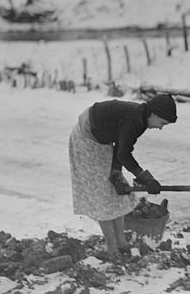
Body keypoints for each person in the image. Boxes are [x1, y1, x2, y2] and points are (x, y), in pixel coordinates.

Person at [68, 93, 177, 259]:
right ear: (154, 114)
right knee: (102, 197)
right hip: (87, 138)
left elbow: (121, 144)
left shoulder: (140, 120)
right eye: (162, 123)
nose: (161, 128)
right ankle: (112, 248)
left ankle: (121, 242)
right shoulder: (135, 119)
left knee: (116, 192)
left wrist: (115, 172)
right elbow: (124, 154)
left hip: (102, 140)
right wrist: (145, 177)